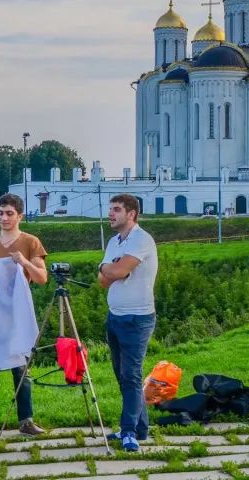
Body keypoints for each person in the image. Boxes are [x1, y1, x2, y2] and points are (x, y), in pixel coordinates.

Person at [0, 193, 48, 441]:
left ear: (20, 216)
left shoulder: (30, 242)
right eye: (0, 213)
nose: (4, 218)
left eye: (9, 213)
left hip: (17, 314)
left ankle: (26, 421)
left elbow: (41, 278)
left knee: (22, 369)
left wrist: (23, 261)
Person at [98, 193, 158, 452]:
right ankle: (141, 428)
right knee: (122, 376)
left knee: (131, 375)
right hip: (115, 315)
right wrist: (111, 269)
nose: (111, 214)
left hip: (137, 318)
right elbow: (103, 279)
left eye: (117, 209)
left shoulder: (141, 239)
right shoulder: (114, 241)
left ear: (131, 213)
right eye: (110, 209)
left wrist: (113, 269)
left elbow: (119, 271)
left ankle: (129, 431)